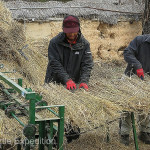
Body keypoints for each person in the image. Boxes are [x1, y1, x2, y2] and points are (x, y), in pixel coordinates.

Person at [45, 15, 93, 90]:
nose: (71, 34)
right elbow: (54, 62)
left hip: (74, 83)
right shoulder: (55, 43)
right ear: (63, 30)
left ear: (78, 29)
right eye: (69, 32)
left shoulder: (84, 44)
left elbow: (87, 64)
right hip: (54, 83)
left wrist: (84, 81)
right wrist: (67, 80)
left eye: (74, 31)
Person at [120, 34, 150, 145]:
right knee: (128, 106)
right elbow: (127, 53)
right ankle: (125, 134)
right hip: (131, 78)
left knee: (146, 106)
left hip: (147, 81)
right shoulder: (140, 40)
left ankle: (144, 131)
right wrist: (137, 65)